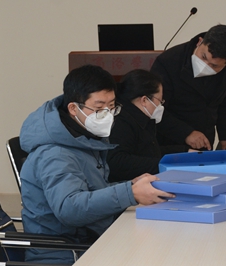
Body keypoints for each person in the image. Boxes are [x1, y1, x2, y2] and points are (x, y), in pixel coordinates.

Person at [19, 64, 173, 264]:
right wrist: (130, 193)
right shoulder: (55, 153)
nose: (107, 115)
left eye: (112, 107)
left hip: (88, 239)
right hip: (64, 253)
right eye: (99, 108)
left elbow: (90, 190)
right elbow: (69, 208)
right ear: (73, 108)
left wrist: (130, 185)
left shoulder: (83, 138)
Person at [150, 24, 226, 151]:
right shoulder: (168, 62)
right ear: (200, 42)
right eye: (203, 57)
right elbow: (154, 109)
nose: (205, 65)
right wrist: (186, 133)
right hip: (169, 142)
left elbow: (225, 102)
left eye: (214, 66)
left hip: (204, 142)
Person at [107, 69, 185, 182]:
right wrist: (163, 164)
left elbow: (149, 150)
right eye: (160, 101)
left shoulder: (140, 118)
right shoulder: (122, 121)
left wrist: (183, 152)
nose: (160, 106)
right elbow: (118, 161)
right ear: (144, 100)